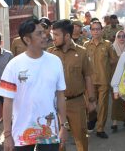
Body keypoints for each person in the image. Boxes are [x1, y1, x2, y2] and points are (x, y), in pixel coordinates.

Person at [0, 19, 67, 151]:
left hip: (49, 133)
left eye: (44, 32)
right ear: (27, 40)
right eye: (39, 33)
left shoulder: (55, 61)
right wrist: (7, 135)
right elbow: (7, 102)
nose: (45, 35)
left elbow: (60, 95)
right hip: (21, 133)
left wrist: (63, 126)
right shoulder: (13, 65)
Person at [49, 19, 96, 151]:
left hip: (76, 102)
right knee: (58, 141)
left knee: (81, 138)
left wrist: (91, 99)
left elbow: (88, 76)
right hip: (55, 104)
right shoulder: (50, 54)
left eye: (57, 35)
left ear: (67, 36)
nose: (53, 38)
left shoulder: (81, 52)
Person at [83, 20, 118, 139]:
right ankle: (92, 121)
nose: (96, 31)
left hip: (103, 80)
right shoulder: (86, 45)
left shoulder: (108, 45)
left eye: (98, 29)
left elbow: (114, 60)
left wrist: (107, 71)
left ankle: (100, 128)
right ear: (90, 31)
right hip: (90, 82)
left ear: (102, 30)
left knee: (103, 105)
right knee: (90, 105)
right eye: (93, 29)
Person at [110, 30, 125, 132]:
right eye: (119, 36)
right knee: (116, 100)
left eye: (123, 36)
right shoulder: (112, 48)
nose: (121, 38)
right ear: (116, 38)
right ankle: (114, 122)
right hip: (115, 78)